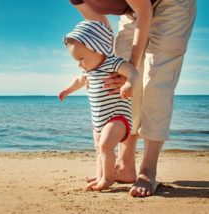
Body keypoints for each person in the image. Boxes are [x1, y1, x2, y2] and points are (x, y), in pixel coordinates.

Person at [68, 0, 196, 197]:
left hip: (171, 3)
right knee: (117, 80)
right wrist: (109, 66)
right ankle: (125, 165)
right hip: (132, 12)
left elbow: (144, 11)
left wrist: (130, 68)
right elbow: (102, 29)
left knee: (155, 81)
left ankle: (148, 171)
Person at [58, 20, 139, 190]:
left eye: (81, 58)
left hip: (118, 117)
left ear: (98, 48)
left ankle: (107, 179)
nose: (79, 64)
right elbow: (79, 80)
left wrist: (129, 84)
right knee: (99, 149)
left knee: (105, 145)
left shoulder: (113, 63)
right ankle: (101, 175)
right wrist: (67, 90)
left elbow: (132, 71)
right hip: (98, 120)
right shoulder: (88, 70)